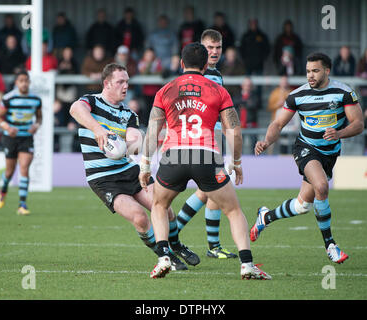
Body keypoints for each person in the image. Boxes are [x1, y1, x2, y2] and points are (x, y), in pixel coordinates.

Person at [138, 42, 271, 280]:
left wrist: (145, 163)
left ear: (181, 64)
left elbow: (152, 131)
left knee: (159, 205)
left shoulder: (165, 90)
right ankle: (247, 265)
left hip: (174, 155)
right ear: (205, 65)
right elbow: (234, 130)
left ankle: (164, 257)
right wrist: (236, 161)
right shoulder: (218, 90)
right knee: (232, 210)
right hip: (205, 155)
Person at [69, 63, 199, 271]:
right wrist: (98, 130)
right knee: (139, 218)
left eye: (127, 82)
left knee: (166, 210)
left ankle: (176, 246)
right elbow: (75, 108)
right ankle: (164, 255)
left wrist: (128, 146)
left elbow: (136, 141)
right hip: (103, 179)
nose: (125, 86)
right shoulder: (91, 102)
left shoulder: (128, 113)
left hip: (130, 171)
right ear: (107, 83)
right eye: (120, 81)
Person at [251, 52, 364, 264]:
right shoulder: (297, 96)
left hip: (330, 153)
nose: (310, 75)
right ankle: (330, 245)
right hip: (306, 148)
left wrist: (339, 133)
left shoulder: (343, 92)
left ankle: (265, 217)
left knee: (303, 205)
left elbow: (358, 124)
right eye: (308, 71)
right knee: (321, 186)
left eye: (315, 71)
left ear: (327, 71)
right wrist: (267, 141)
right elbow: (277, 124)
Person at [175, 29, 237, 259]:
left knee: (209, 193)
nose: (214, 52)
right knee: (209, 191)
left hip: (214, 137)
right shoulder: (197, 76)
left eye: (218, 48)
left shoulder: (217, 74)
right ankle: (176, 235)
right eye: (209, 48)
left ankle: (211, 245)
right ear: (201, 49)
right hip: (203, 138)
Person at [0, 70, 42, 215]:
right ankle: (4, 189)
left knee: (24, 168)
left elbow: (39, 118)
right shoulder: (8, 98)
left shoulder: (36, 99)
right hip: (10, 138)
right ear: (16, 83)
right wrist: (7, 127)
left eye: (26, 80)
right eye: (21, 80)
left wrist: (36, 126)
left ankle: (22, 204)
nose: (24, 83)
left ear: (29, 82)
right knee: (9, 172)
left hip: (26, 138)